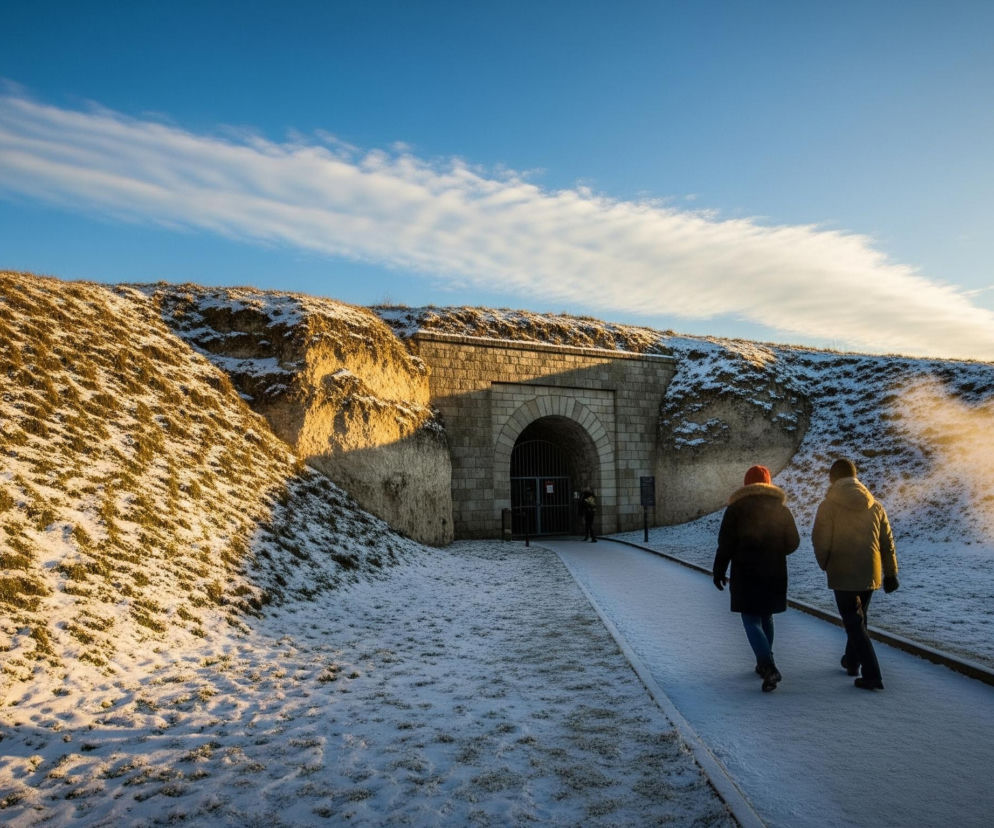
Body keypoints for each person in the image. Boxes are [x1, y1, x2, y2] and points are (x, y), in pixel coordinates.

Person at [812, 458, 899, 691]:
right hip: (870, 572)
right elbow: (887, 542)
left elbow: (820, 539)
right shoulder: (875, 505)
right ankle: (852, 662)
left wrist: (825, 563)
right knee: (858, 620)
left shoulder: (828, 506)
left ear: (832, 479)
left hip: (842, 570)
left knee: (853, 622)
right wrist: (891, 573)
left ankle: (872, 675)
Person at [713, 465, 800, 692]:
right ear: (768, 483)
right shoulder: (781, 509)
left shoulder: (736, 509)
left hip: (746, 572)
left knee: (750, 618)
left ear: (746, 484)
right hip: (774, 572)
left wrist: (719, 570)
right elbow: (793, 542)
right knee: (766, 615)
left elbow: (725, 544)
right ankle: (765, 663)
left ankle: (768, 666)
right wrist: (775, 551)